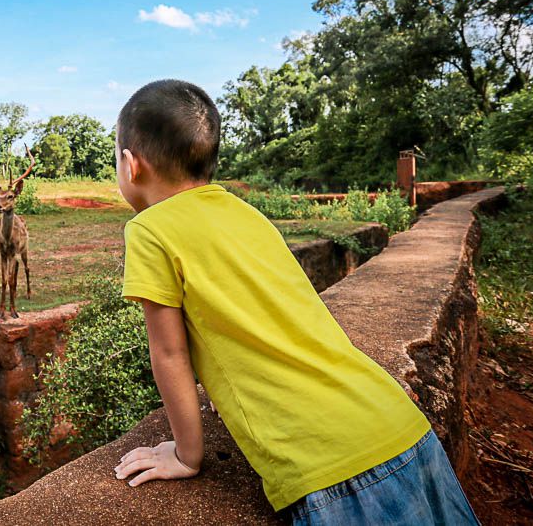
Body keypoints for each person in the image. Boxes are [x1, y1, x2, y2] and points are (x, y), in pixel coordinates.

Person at [110, 79, 480, 525]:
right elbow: (264, 313)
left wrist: (187, 455)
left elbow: (169, 354)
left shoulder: (148, 230)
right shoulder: (246, 215)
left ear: (131, 165)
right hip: (401, 425)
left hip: (332, 468)